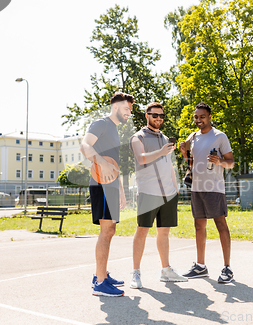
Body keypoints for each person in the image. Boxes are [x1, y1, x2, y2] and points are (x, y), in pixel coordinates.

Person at [80, 92, 134, 297]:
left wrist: (121, 191)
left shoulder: (114, 130)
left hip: (111, 186)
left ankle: (100, 274)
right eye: (127, 108)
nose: (129, 112)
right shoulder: (101, 123)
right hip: (100, 184)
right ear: (116, 107)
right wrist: (100, 162)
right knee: (105, 231)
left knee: (110, 231)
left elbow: (114, 164)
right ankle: (100, 284)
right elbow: (85, 145)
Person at [129, 102, 187, 288]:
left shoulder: (164, 137)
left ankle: (166, 270)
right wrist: (161, 151)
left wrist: (175, 185)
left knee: (164, 232)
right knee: (142, 231)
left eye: (162, 116)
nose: (159, 119)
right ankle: (136, 273)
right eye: (155, 115)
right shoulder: (138, 137)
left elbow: (168, 163)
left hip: (168, 193)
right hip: (148, 191)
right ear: (147, 115)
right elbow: (141, 159)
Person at [179, 102, 235, 283]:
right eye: (196, 117)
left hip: (214, 188)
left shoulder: (220, 136)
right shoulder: (193, 136)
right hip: (197, 188)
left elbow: (231, 162)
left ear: (210, 117)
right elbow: (190, 161)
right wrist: (183, 151)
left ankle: (227, 268)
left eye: (202, 117)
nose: (198, 120)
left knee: (220, 224)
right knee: (198, 226)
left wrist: (220, 162)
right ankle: (200, 267)